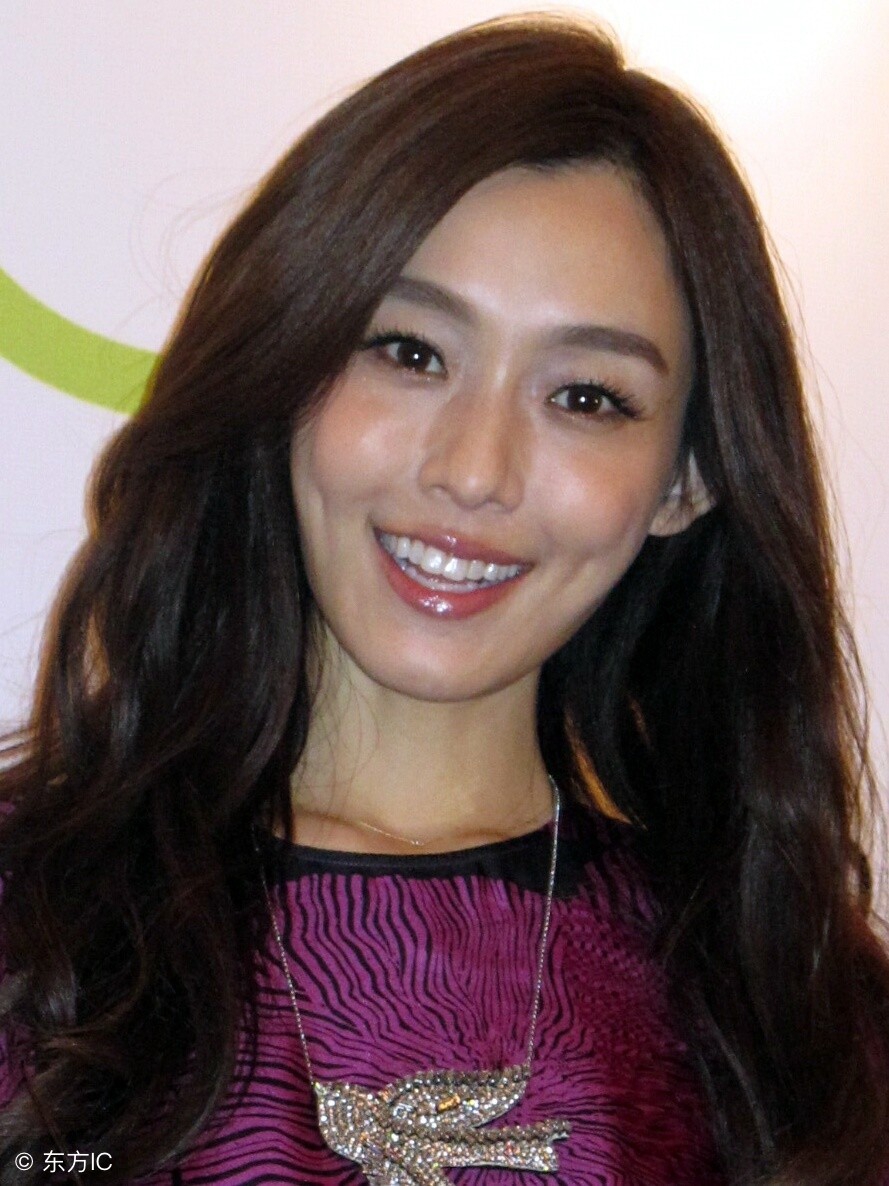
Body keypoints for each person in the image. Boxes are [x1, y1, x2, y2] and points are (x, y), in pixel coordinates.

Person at [1, 11, 887, 1185]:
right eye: (411, 352)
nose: (473, 470)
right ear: (285, 371)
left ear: (686, 480)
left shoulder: (801, 1014)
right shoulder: (28, 926)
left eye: (585, 397)